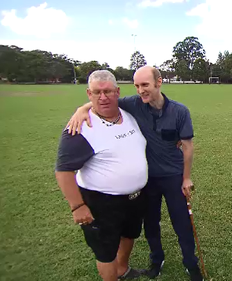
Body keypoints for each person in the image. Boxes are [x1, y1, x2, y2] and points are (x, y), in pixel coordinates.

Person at [66, 66, 203, 281]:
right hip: (147, 181)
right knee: (151, 224)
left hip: (173, 177)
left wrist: (186, 177)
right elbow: (103, 99)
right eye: (137, 86)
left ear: (159, 82)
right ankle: (156, 261)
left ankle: (190, 263)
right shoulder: (134, 104)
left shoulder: (179, 111)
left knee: (181, 223)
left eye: (145, 85)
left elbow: (188, 146)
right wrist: (81, 110)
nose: (140, 90)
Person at [55, 70, 147, 281]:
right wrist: (77, 206)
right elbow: (63, 169)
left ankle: (122, 269)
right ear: (89, 93)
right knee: (105, 249)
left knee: (129, 234)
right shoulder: (80, 129)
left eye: (107, 91)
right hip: (101, 201)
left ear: (117, 92)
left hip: (135, 197)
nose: (102, 97)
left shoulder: (129, 115)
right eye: (97, 92)